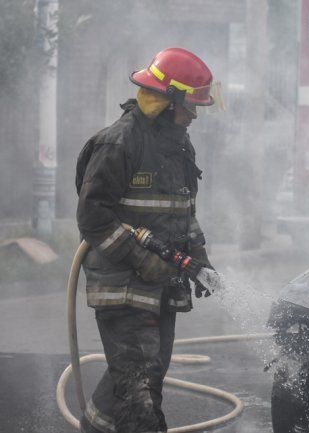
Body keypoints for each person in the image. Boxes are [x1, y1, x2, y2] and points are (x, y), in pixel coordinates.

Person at [75, 47, 215, 433]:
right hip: (123, 289)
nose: (194, 114)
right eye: (190, 104)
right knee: (139, 397)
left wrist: (199, 257)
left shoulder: (178, 144)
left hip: (160, 287)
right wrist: (142, 258)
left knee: (142, 380)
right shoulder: (119, 142)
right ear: (169, 99)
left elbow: (183, 210)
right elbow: (92, 215)